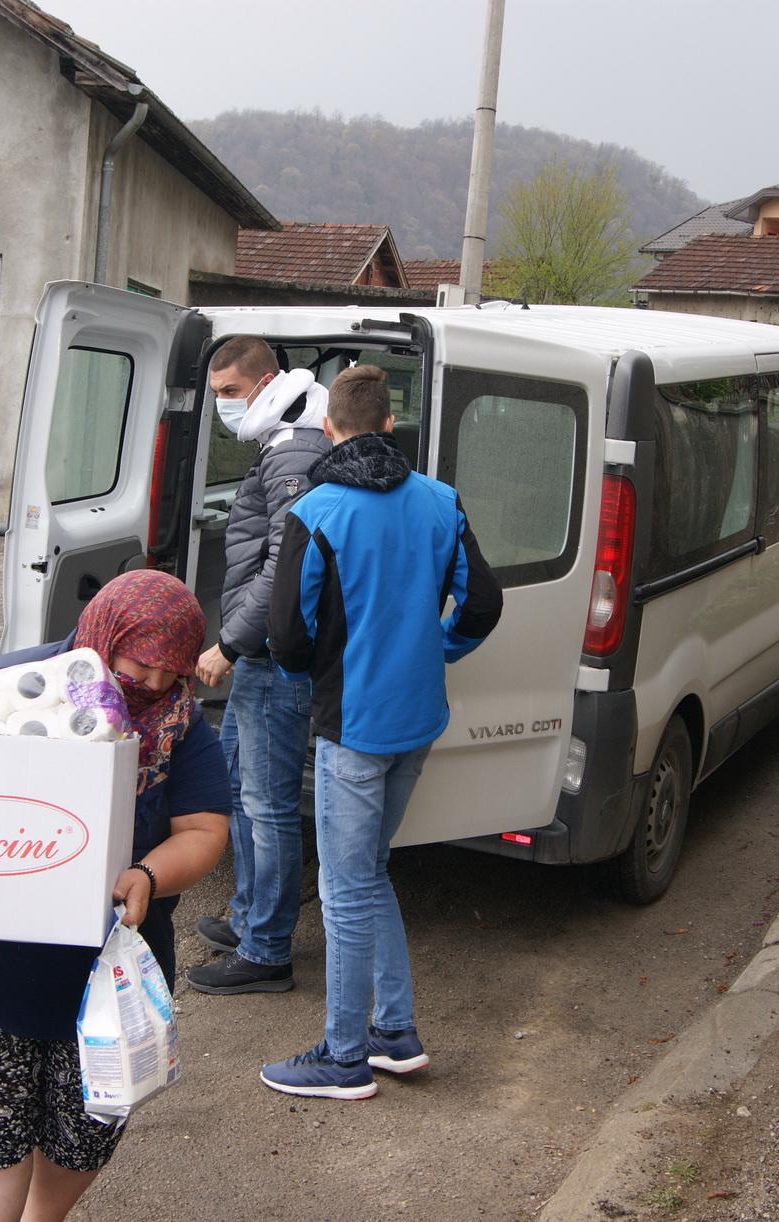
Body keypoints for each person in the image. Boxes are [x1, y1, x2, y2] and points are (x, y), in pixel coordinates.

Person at [0, 570, 230, 1221]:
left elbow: (205, 829)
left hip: (103, 977)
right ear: (106, 632)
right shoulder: (10, 688)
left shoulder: (182, 723)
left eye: (173, 669)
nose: (155, 683)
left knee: (89, 1124)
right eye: (142, 663)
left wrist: (148, 876)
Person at [259, 363, 503, 1100]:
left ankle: (342, 1057)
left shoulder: (318, 511)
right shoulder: (440, 500)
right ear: (392, 424)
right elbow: (482, 605)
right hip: (418, 720)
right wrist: (438, 648)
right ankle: (392, 1032)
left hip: (354, 727)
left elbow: (286, 637)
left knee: (342, 886)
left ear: (328, 429)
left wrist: (312, 684)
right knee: (367, 873)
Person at [187, 336, 329, 996]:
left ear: (266, 381)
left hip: (271, 654)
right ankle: (249, 919)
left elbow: (286, 567)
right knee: (243, 784)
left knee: (267, 805)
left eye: (229, 393)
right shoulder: (281, 439)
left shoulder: (296, 446)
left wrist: (230, 643)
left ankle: (267, 949)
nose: (221, 406)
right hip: (262, 651)